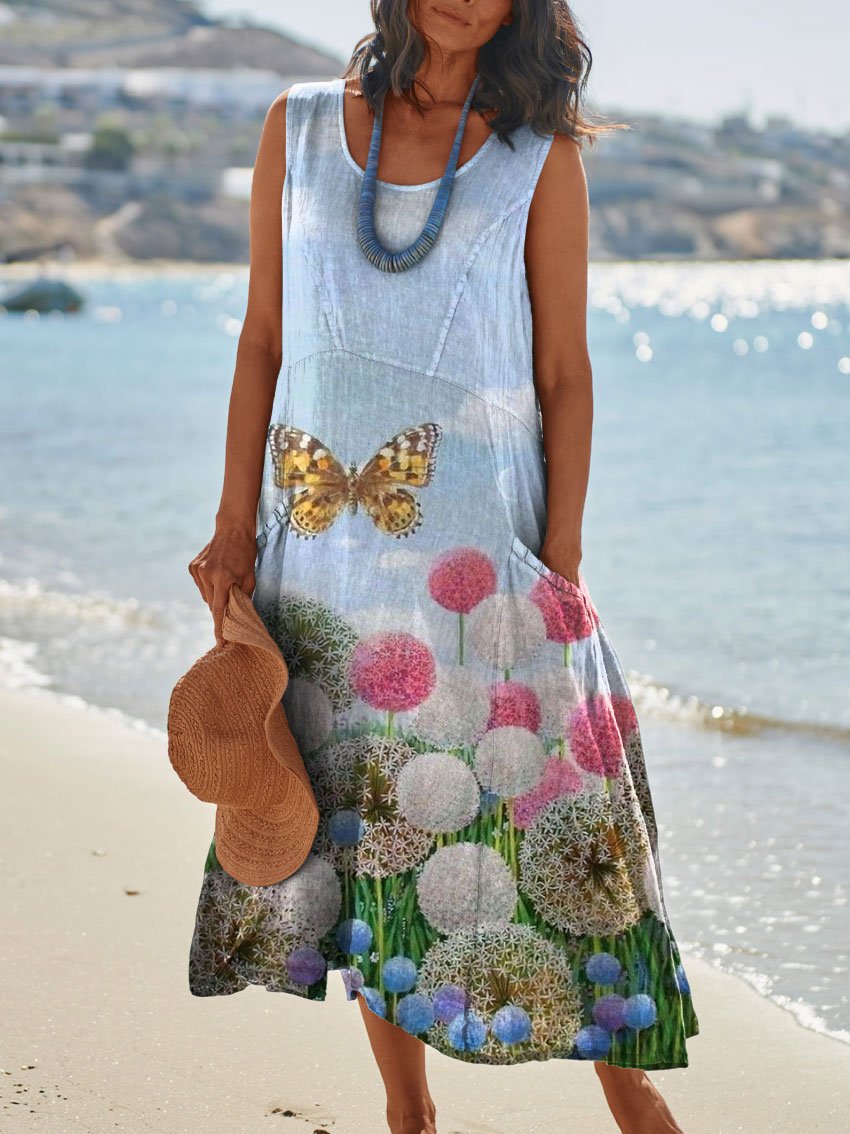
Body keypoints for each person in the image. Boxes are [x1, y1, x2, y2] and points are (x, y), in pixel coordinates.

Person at [187, 2, 699, 1132]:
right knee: (377, 828)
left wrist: (557, 556)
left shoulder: (537, 149)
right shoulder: (300, 126)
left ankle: (633, 1097)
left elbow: (564, 368)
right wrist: (233, 527)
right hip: (323, 552)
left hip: (482, 552)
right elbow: (264, 338)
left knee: (559, 810)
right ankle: (406, 1115)